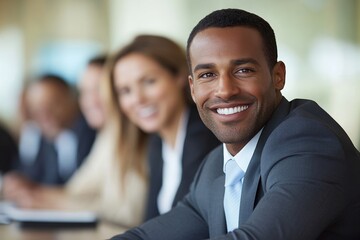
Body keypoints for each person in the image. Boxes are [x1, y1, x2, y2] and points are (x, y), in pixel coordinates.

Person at [111, 8, 360, 240]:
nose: (225, 90)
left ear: (278, 76)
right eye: (207, 75)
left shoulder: (308, 142)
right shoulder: (216, 165)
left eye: (243, 70)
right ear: (193, 88)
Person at [2, 56, 148, 228]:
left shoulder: (136, 136)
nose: (90, 101)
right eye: (84, 92)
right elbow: (75, 191)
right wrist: (32, 193)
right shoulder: (108, 136)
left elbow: (127, 213)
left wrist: (45, 200)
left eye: (99, 89)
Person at [108, 35, 220, 220]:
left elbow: (186, 224)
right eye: (125, 91)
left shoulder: (203, 134)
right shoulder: (157, 143)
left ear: (179, 77)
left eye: (149, 82)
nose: (138, 99)